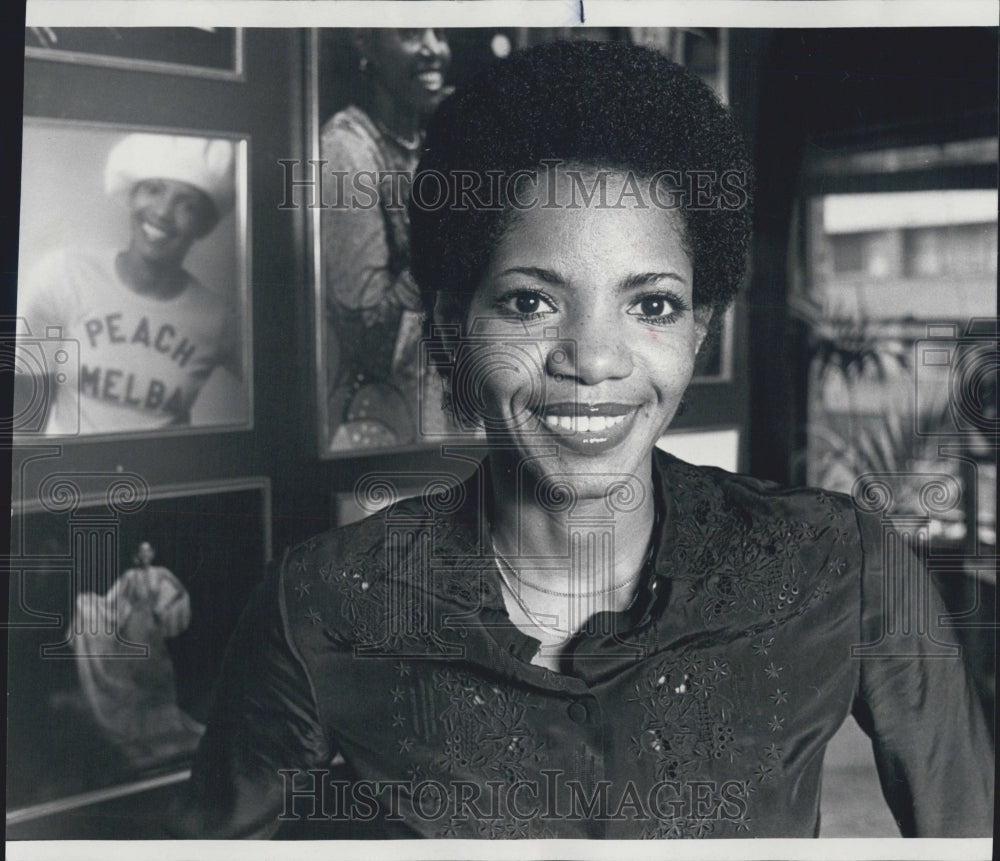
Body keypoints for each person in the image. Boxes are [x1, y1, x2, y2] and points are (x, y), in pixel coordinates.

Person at [176, 40, 993, 838]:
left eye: (653, 305)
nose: (596, 361)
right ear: (452, 328)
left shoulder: (842, 564)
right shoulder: (319, 605)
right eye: (532, 302)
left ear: (698, 331)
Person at [17, 133, 243, 434]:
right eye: (153, 190)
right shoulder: (63, 277)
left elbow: (283, 394)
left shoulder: (218, 320)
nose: (163, 212)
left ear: (204, 224)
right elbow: (23, 420)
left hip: (166, 481)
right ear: (132, 196)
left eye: (186, 204)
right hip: (72, 476)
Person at [320, 28, 452, 451]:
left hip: (433, 406)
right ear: (365, 44)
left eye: (441, 32)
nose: (434, 49)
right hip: (379, 422)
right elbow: (365, 334)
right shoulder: (347, 150)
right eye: (412, 33)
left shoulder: (429, 140)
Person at [73, 541, 203, 766]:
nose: (145, 555)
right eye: (141, 552)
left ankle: (163, 730)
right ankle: (139, 735)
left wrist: (164, 611)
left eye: (148, 551)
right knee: (136, 676)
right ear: (136, 556)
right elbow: (112, 603)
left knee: (159, 673)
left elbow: (177, 595)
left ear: (152, 553)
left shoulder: (161, 574)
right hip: (133, 629)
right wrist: (89, 605)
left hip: (151, 629)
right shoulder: (129, 577)